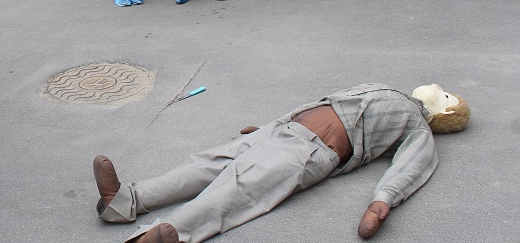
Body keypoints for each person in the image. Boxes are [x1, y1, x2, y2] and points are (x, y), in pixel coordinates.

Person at [92, 83, 471, 242]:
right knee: (207, 163)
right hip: (283, 128)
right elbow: (323, 101)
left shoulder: (416, 125)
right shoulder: (385, 87)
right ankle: (123, 199)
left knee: (239, 186)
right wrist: (271, 123)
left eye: (445, 97)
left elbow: (412, 165)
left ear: (444, 114)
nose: (437, 90)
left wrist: (381, 202)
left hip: (311, 153)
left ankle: (171, 233)